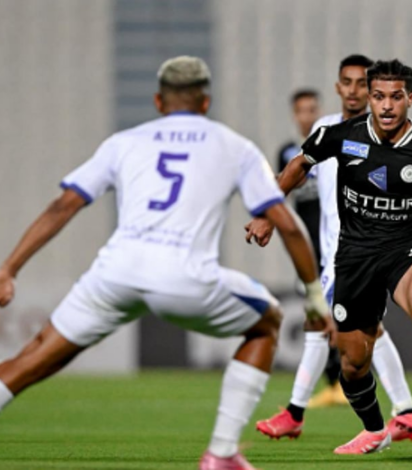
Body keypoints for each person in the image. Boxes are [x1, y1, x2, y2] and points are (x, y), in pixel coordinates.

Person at [0, 56, 329, 470]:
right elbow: (290, 226)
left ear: (158, 101)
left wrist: (9, 268)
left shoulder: (124, 142)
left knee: (32, 360)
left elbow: (63, 205)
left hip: (114, 275)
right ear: (205, 102)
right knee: (267, 321)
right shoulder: (234, 147)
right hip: (184, 278)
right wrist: (314, 297)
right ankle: (222, 453)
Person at [246, 59, 412, 454]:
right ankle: (374, 430)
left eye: (396, 97)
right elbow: (299, 165)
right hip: (354, 257)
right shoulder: (342, 135)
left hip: (406, 247)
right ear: (369, 98)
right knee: (352, 363)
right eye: (379, 96)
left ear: (410, 98)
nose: (387, 106)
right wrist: (268, 213)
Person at [254, 55, 412, 442]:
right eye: (348, 82)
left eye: (363, 83)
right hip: (331, 253)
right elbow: (299, 171)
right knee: (340, 326)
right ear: (338, 87)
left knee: (344, 327)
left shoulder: (381, 133)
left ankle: (298, 413)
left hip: (362, 251)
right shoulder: (325, 129)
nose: (355, 90)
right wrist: (269, 206)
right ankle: (405, 413)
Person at [277, 89, 323, 272]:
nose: (307, 117)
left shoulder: (330, 146)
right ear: (294, 115)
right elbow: (281, 193)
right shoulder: (287, 152)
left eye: (312, 110)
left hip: (330, 224)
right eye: (302, 111)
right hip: (304, 224)